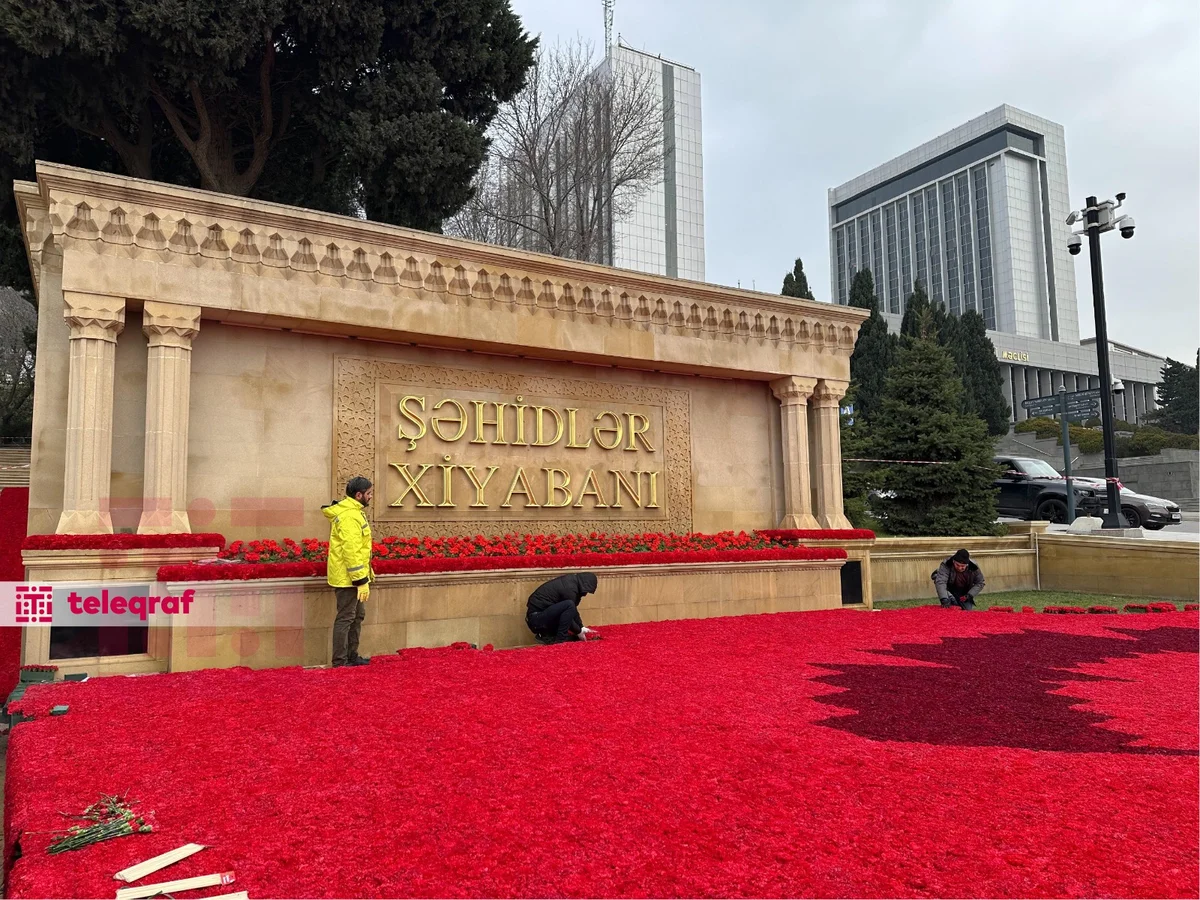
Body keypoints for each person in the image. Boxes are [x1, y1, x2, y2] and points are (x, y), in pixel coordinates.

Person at [323, 476, 375, 667]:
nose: (370, 497)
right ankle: (340, 662)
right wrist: (361, 580)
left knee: (357, 616)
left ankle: (352, 656)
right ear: (358, 494)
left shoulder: (354, 512)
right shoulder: (348, 515)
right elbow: (351, 550)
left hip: (355, 579)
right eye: (368, 494)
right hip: (348, 580)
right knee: (346, 618)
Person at [526, 573, 598, 644]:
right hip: (537, 619)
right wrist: (578, 631)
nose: (585, 594)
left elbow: (573, 611)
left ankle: (554, 636)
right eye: (586, 591)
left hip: (541, 616)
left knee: (569, 605)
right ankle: (560, 640)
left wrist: (581, 627)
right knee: (569, 605)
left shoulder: (572, 583)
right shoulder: (570, 588)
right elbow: (569, 613)